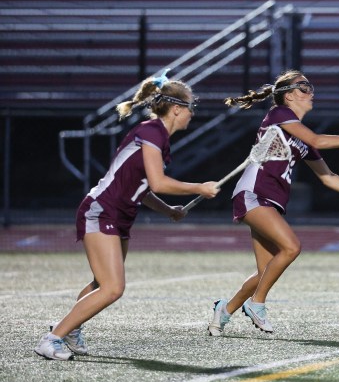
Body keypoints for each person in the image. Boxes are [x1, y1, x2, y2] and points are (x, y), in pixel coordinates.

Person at [34, 72, 221, 360]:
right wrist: (199, 187)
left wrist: (168, 210)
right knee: (113, 288)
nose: (192, 113)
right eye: (191, 107)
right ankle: (52, 338)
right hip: (102, 209)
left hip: (119, 215)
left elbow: (144, 189)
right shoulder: (152, 132)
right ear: (176, 109)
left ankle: (69, 329)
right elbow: (159, 182)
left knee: (101, 282)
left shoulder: (158, 137)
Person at [207, 70, 339, 336]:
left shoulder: (302, 138)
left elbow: (328, 176)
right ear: (289, 95)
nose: (311, 92)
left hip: (270, 201)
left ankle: (224, 311)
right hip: (254, 194)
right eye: (304, 87)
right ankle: (257, 305)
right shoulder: (279, 115)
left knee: (265, 272)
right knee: (291, 247)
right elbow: (319, 139)